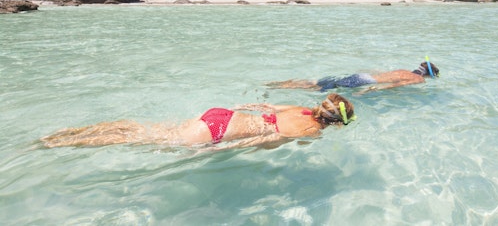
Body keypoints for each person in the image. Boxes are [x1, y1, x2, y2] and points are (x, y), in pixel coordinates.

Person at [41, 93, 355, 150]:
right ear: (336, 123)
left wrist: (240, 106)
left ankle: (78, 132)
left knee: (148, 131)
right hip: (223, 131)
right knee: (141, 140)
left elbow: (266, 105)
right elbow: (264, 140)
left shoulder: (302, 109)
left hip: (223, 115)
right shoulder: (311, 131)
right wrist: (222, 151)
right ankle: (69, 142)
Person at [267, 60, 439, 93]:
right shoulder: (418, 80)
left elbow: (385, 76)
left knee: (323, 83)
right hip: (365, 81)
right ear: (429, 75)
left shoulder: (404, 70)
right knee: (319, 89)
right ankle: (287, 86)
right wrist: (370, 90)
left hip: (363, 75)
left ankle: (285, 83)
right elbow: (393, 86)